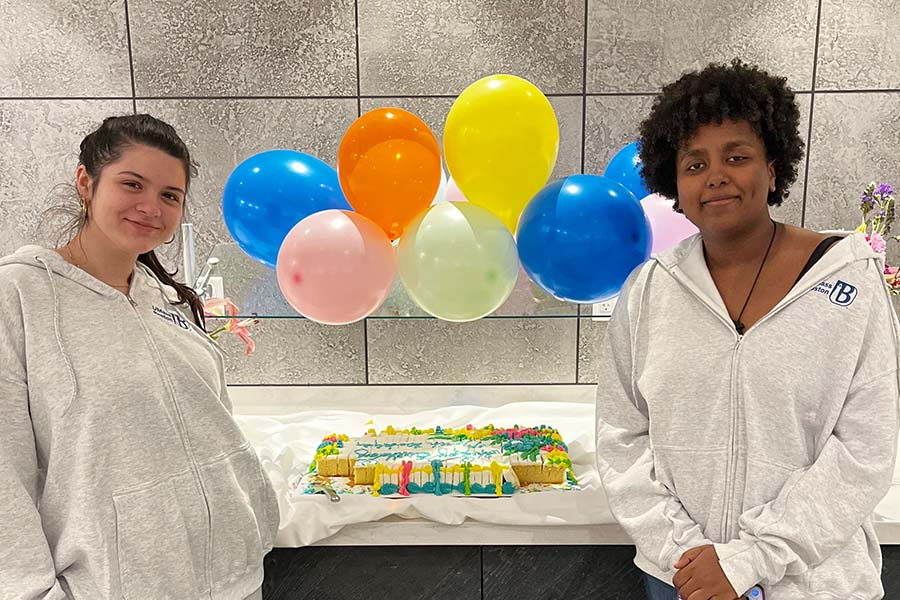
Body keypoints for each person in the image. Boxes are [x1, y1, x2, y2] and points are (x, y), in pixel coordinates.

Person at [595, 60, 900, 600]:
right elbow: (622, 438)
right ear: (675, 184)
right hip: (683, 582)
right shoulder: (647, 292)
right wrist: (687, 558)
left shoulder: (849, 281)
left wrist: (749, 561)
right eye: (694, 164)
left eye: (737, 156)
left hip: (815, 584)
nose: (716, 176)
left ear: (773, 169)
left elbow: (866, 450)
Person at [0, 114, 280, 599]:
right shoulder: (20, 297)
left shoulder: (169, 301)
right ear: (86, 182)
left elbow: (213, 426)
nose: (151, 207)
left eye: (170, 195)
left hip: (232, 579)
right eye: (133, 184)